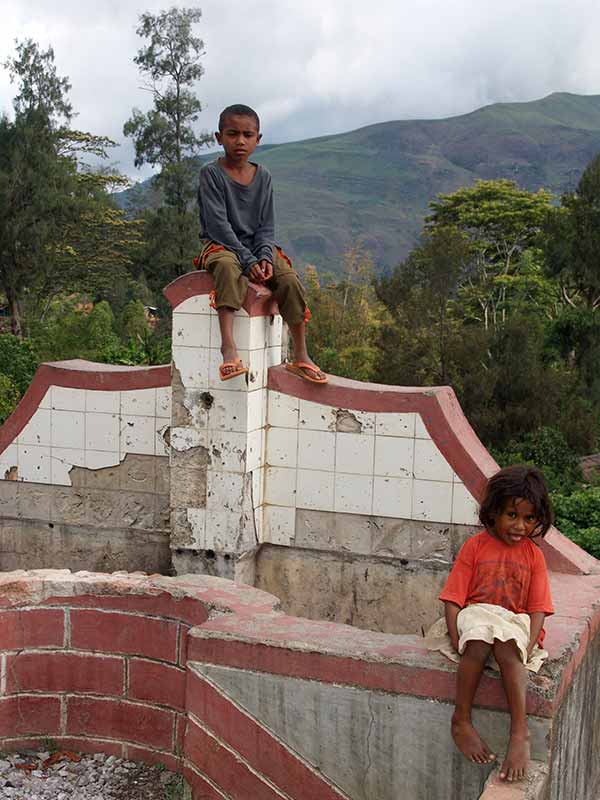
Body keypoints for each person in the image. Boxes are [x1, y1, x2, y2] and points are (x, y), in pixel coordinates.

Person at [425, 465, 554, 782]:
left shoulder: (534, 556)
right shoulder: (475, 546)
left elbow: (537, 608)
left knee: (508, 649)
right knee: (481, 640)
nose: (520, 525)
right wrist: (457, 638)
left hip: (513, 623)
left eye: (529, 518)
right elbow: (454, 598)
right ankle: (462, 719)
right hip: (477, 615)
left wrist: (527, 643)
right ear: (494, 511)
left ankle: (519, 733)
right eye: (512, 515)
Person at [197, 103, 327, 384]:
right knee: (226, 268)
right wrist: (248, 261)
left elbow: (266, 226)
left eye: (247, 134)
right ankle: (228, 348)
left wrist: (265, 258)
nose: (240, 141)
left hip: (257, 249)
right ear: (219, 138)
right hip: (222, 245)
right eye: (232, 134)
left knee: (289, 279)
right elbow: (219, 226)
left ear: (258, 139)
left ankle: (301, 355)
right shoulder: (211, 174)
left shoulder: (264, 176)